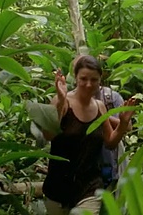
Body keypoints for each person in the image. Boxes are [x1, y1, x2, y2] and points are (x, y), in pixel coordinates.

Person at [42, 55, 137, 215]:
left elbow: (110, 143)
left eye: (94, 80)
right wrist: (60, 100)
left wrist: (122, 123)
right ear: (76, 78)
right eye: (83, 79)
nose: (88, 84)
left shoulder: (100, 107)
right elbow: (49, 134)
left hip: (90, 187)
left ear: (100, 80)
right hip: (58, 186)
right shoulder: (62, 103)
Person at [94, 85, 129, 193]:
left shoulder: (112, 98)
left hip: (109, 161)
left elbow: (127, 127)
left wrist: (100, 114)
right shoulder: (71, 99)